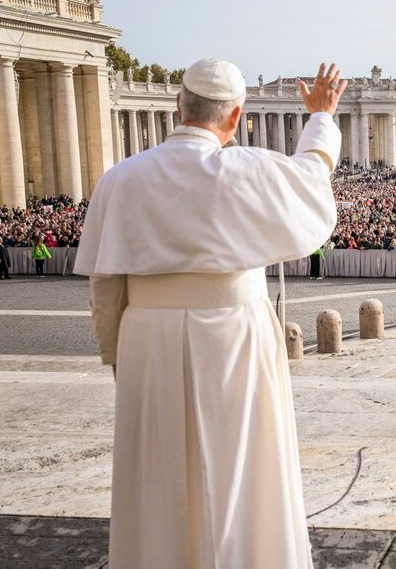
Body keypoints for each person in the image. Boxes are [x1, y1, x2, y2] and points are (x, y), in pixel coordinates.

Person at [74, 59, 347, 569]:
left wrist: (116, 353)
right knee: (240, 469)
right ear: (238, 116)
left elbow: (105, 284)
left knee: (157, 472)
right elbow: (312, 174)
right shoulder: (249, 169)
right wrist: (321, 116)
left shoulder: (120, 179)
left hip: (147, 337)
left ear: (178, 105)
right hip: (234, 333)